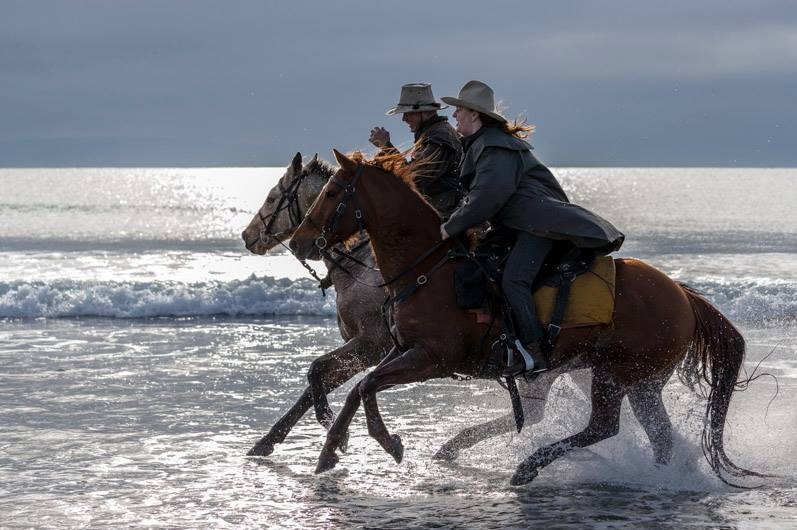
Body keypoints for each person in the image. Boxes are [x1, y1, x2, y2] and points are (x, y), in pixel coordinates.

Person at [439, 80, 624, 374]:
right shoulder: (483, 144)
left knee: (514, 279)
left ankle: (535, 352)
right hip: (521, 225)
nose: (454, 116)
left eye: (458, 110)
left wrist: (450, 227)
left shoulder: (495, 147)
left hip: (539, 226)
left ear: (474, 114)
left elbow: (488, 196)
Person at [369, 83, 463, 216]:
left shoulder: (440, 138)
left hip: (445, 218)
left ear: (426, 112)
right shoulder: (436, 134)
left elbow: (414, 178)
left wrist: (387, 147)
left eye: (408, 113)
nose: (404, 118)